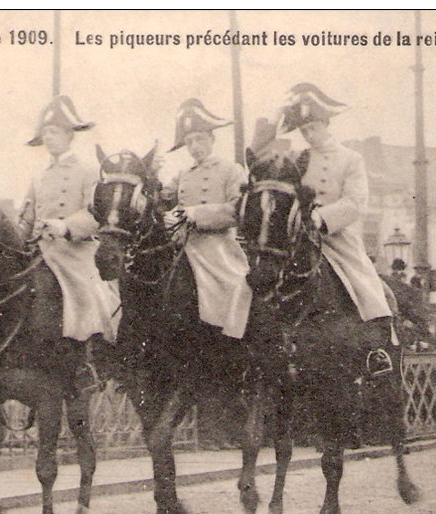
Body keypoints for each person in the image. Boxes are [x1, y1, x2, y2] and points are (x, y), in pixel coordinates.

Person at [275, 83, 394, 373]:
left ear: (326, 123)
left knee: (366, 288)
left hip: (336, 240)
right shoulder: (297, 160)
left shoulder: (351, 159)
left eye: (313, 127)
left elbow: (355, 203)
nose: (308, 134)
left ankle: (377, 351)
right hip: (298, 239)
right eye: (304, 130)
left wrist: (320, 218)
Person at [20, 95, 120, 386]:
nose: (49, 139)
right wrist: (21, 234)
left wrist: (65, 226)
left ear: (68, 136)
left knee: (88, 292)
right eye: (46, 134)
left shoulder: (88, 171)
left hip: (75, 250)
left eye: (54, 133)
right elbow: (27, 214)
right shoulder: (38, 176)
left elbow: (94, 214)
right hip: (40, 248)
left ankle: (88, 360)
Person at [161, 98, 251, 339]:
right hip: (183, 244)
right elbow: (162, 200)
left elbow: (237, 209)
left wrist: (197, 213)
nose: (194, 146)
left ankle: (233, 340)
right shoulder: (182, 174)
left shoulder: (231, 170)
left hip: (218, 246)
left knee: (237, 288)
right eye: (189, 142)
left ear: (212, 139)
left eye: (200, 139)